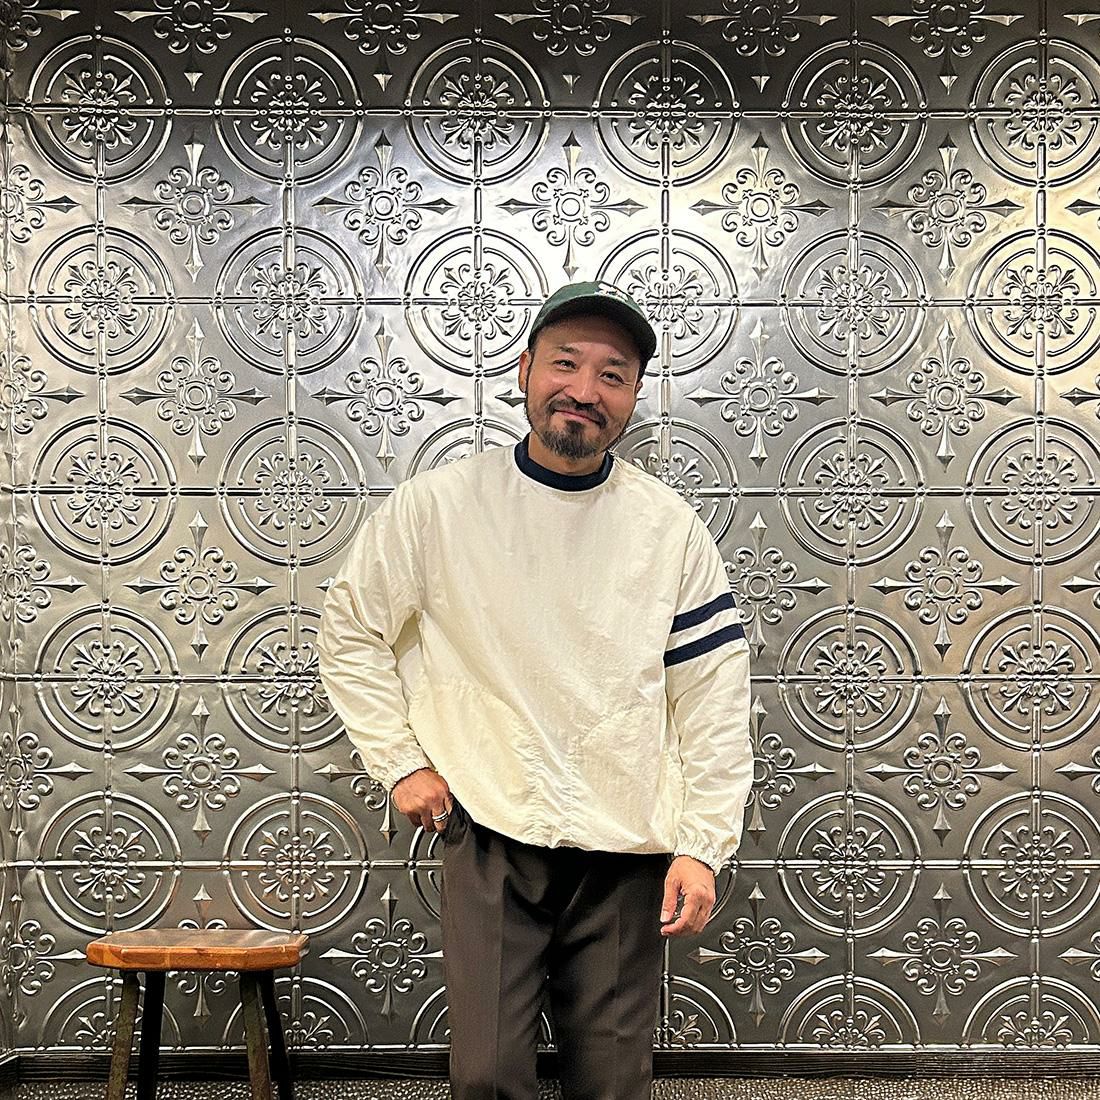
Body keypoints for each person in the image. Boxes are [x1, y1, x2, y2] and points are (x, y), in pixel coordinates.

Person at [317, 281, 753, 1100]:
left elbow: (714, 695)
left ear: (632, 398)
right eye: (565, 363)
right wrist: (400, 764)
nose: (584, 390)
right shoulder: (438, 508)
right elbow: (349, 634)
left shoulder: (669, 530)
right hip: (490, 822)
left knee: (613, 1081)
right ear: (524, 371)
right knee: (486, 1076)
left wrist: (702, 844)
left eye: (613, 375)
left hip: (626, 837)